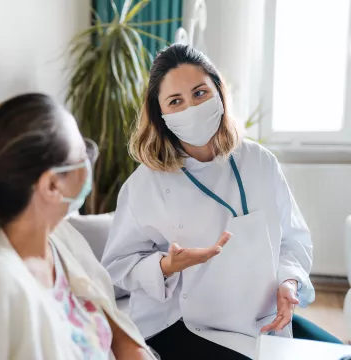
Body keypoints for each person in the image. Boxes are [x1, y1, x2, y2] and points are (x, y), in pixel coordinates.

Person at [101, 45, 341, 359]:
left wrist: (288, 282)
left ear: (219, 92)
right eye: (176, 101)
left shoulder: (259, 161)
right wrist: (166, 266)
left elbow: (292, 239)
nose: (191, 107)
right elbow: (118, 266)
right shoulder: (146, 184)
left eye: (200, 93)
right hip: (183, 322)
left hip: (260, 316)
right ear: (160, 115)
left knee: (338, 354)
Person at [0, 94, 156, 360]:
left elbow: (117, 331)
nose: (90, 164)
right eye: (82, 155)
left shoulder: (60, 241)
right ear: (51, 185)